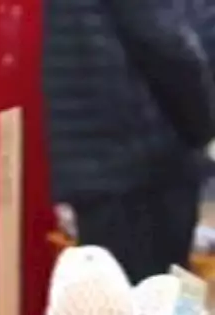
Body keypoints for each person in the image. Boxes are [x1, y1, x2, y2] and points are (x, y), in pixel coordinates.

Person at [43, 0, 215, 283]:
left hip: (105, 160)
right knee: (157, 305)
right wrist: (204, 127)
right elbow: (164, 41)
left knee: (117, 300)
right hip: (141, 162)